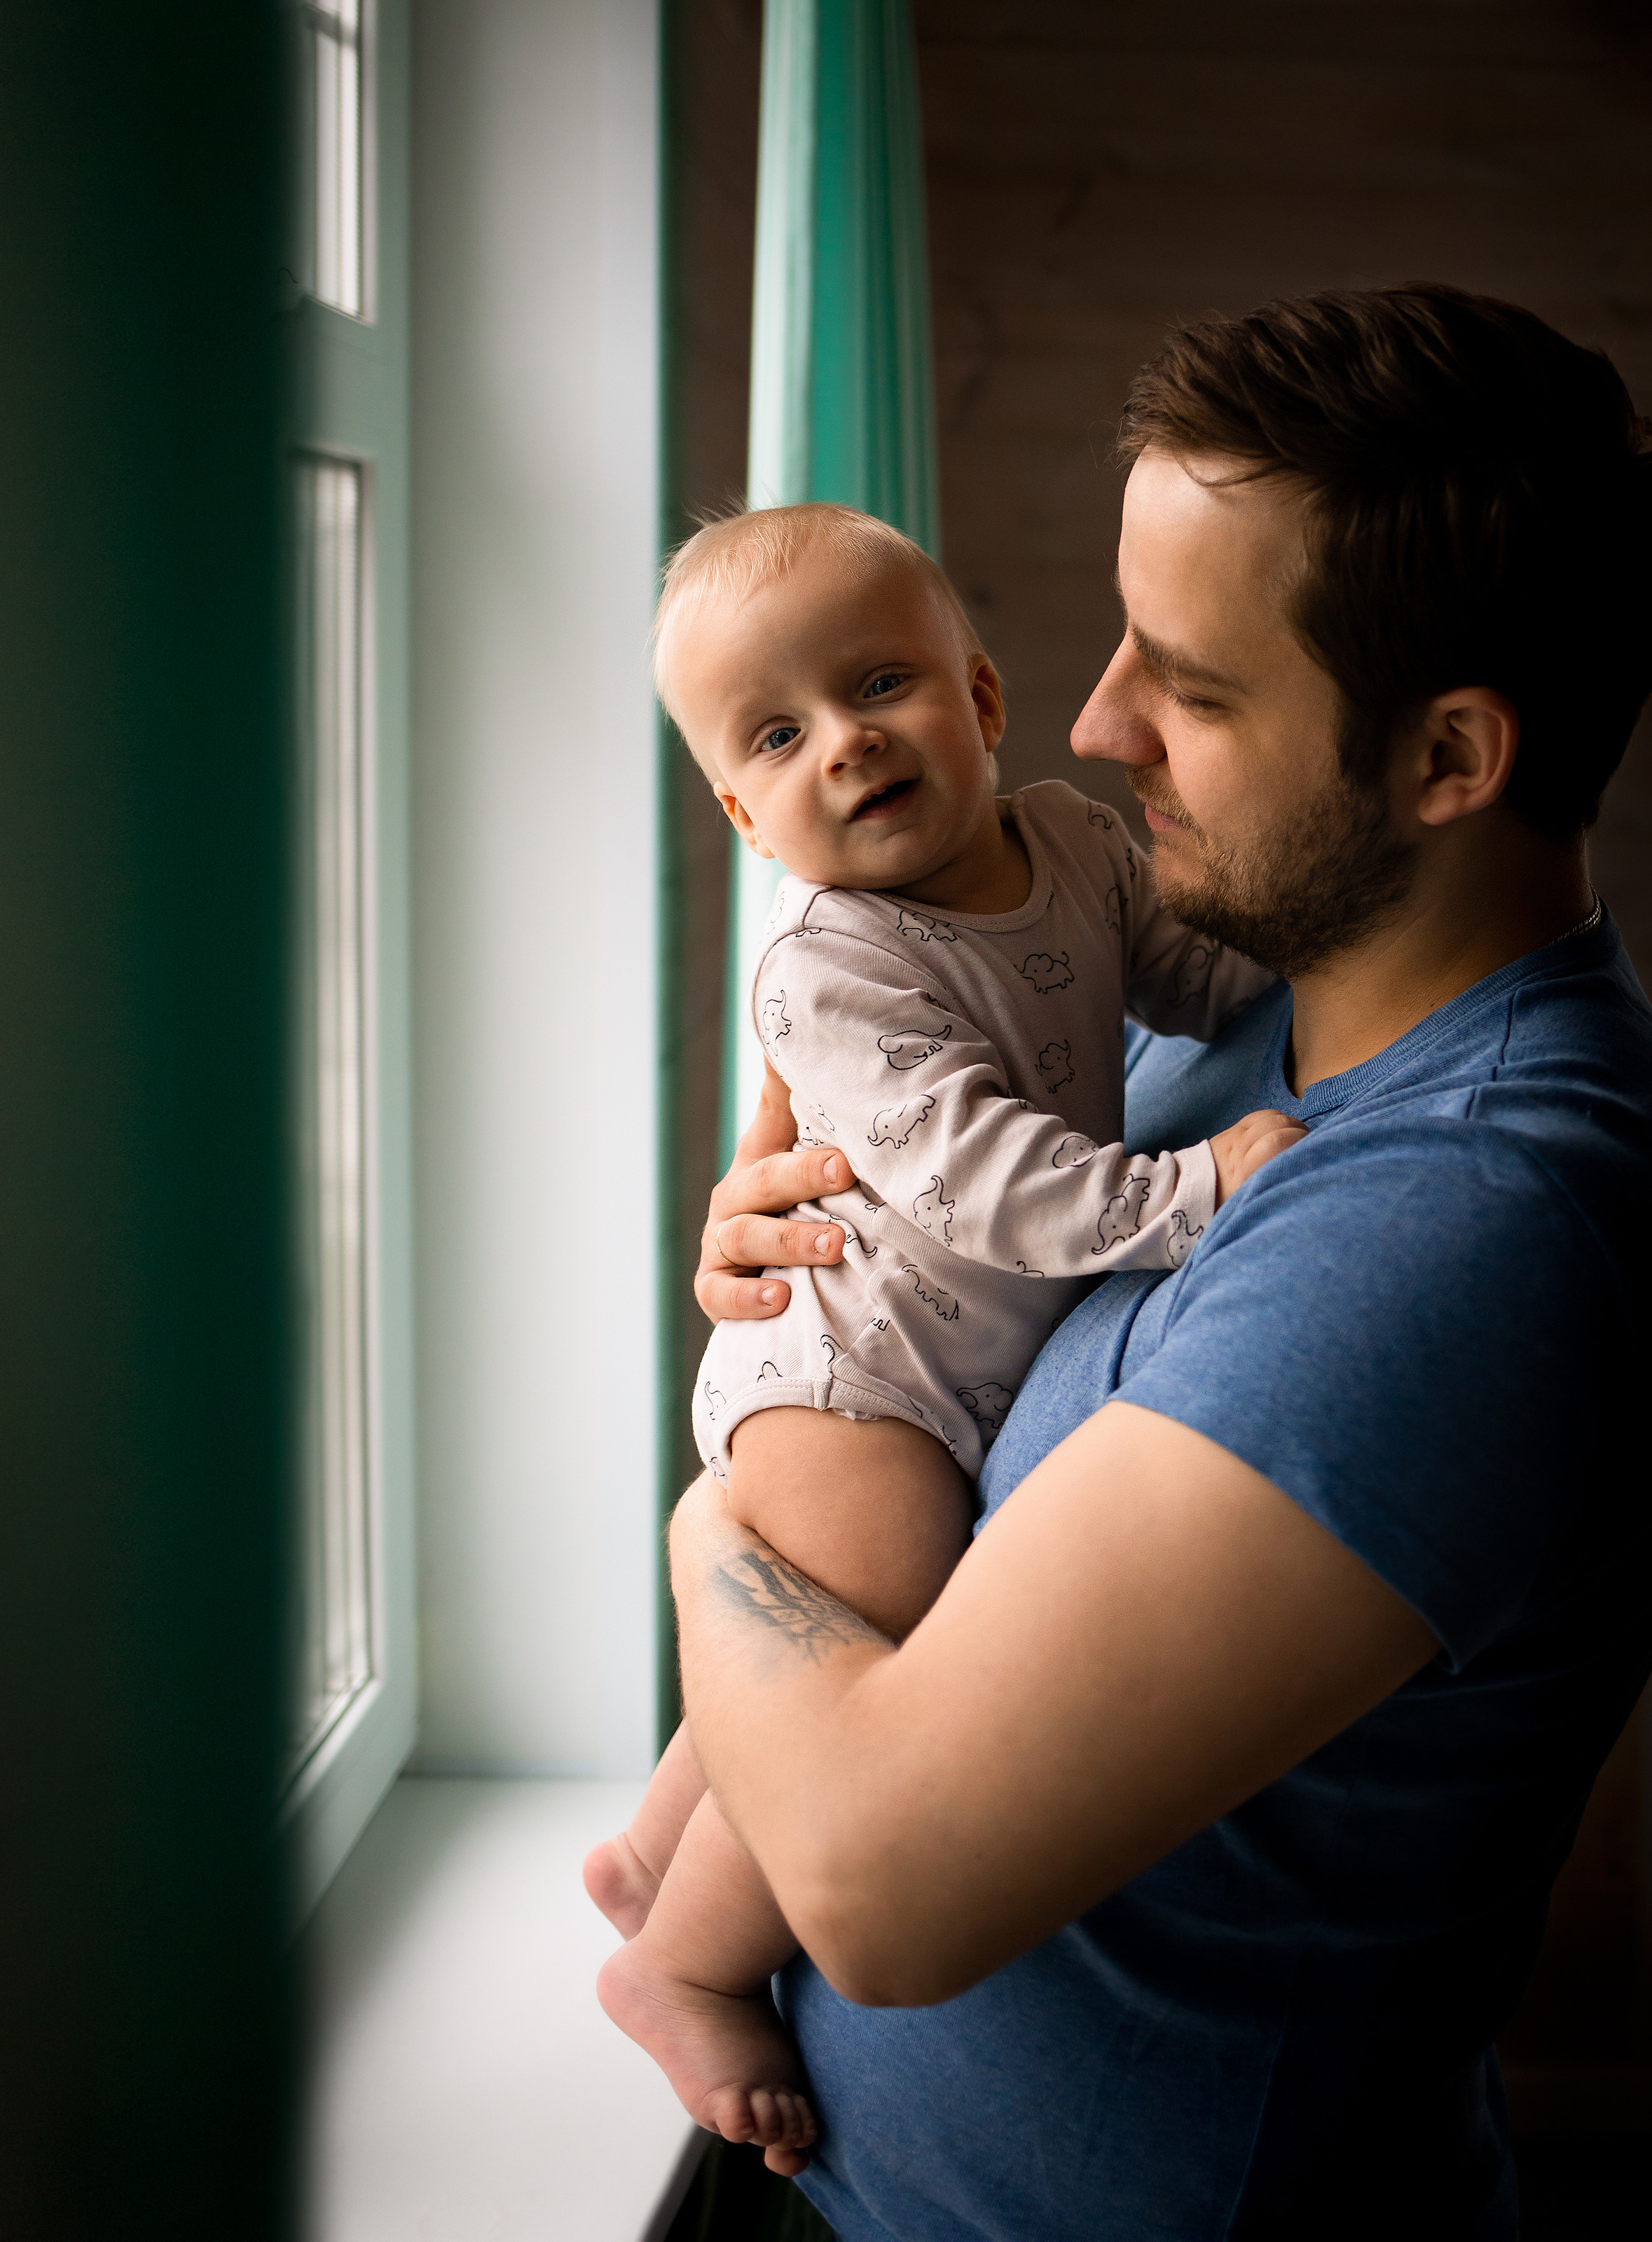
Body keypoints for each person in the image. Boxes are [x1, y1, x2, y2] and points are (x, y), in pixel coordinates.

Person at [668, 285, 1652, 2240]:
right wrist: (808, 1269)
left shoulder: (1460, 1231)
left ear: (1448, 756)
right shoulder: (1260, 1005)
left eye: (1194, 687)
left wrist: (722, 1496)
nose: (1089, 724)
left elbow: (879, 1890)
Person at [584, 502, 1290, 2166]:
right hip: (850, 1377)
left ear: (978, 697)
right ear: (741, 810)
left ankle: (651, 1853)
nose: (841, 742)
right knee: (868, 1620)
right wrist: (1190, 1191)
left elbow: (1186, 978)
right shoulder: (824, 968)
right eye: (774, 735)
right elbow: (977, 1176)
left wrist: (1288, 974)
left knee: (819, 1618)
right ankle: (683, 1965)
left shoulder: (1074, 844)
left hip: (946, 1364)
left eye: (875, 683)